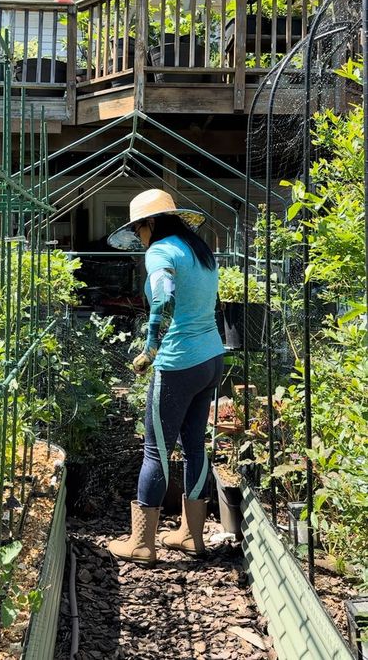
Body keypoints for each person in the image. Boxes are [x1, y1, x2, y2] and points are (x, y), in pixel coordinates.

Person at [107, 188, 225, 567]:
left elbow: (163, 297)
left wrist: (150, 347)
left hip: (177, 362)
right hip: (210, 357)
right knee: (194, 446)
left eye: (139, 229)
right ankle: (192, 536)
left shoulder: (160, 251)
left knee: (156, 449)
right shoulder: (198, 252)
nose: (139, 237)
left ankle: (142, 544)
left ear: (150, 224)